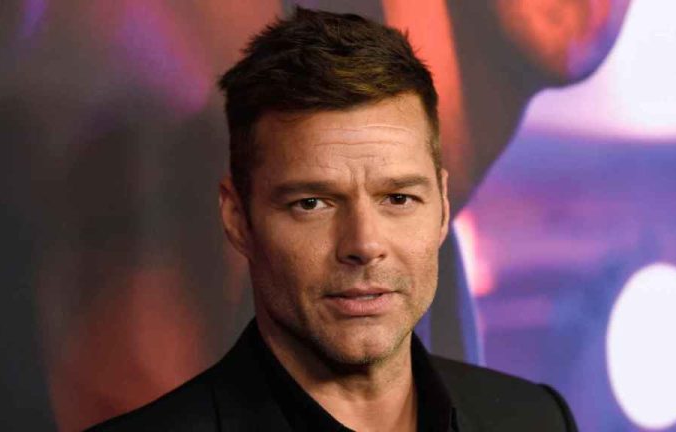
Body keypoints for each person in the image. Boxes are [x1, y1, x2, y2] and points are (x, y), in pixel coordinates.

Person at [88, 7, 577, 431]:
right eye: (312, 204)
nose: (363, 244)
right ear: (238, 219)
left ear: (443, 208)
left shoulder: (536, 420)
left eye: (399, 198)